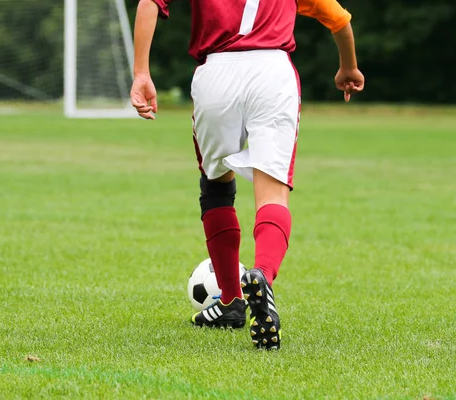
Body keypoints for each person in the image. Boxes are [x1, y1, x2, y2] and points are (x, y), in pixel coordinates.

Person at [131, 0, 365, 350]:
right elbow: (340, 21)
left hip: (216, 75)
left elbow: (149, 1)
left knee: (215, 187)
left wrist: (141, 72)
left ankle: (230, 299)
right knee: (271, 194)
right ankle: (262, 276)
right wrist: (348, 67)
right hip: (273, 72)